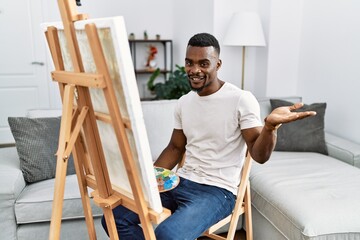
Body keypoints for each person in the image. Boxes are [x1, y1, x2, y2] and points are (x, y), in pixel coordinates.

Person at [101, 32, 316, 240]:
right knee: (114, 217)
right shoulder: (184, 102)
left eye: (203, 63)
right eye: (189, 63)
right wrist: (150, 180)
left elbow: (259, 155)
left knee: (167, 235)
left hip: (217, 191)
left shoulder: (241, 99)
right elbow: (175, 148)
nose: (195, 70)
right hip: (180, 181)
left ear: (218, 64)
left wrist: (269, 127)